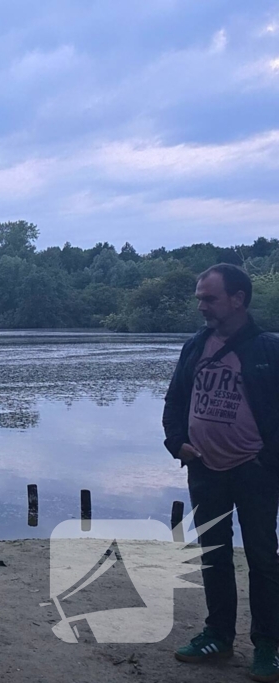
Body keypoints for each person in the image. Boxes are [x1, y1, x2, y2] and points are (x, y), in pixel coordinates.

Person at [163, 264, 279, 682]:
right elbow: (175, 400)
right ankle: (218, 635)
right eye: (199, 297)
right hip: (204, 468)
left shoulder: (269, 349)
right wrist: (177, 444)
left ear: (238, 299)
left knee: (264, 558)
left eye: (209, 298)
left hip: (255, 471)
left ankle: (268, 645)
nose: (201, 306)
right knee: (213, 554)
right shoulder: (195, 345)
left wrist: (268, 459)